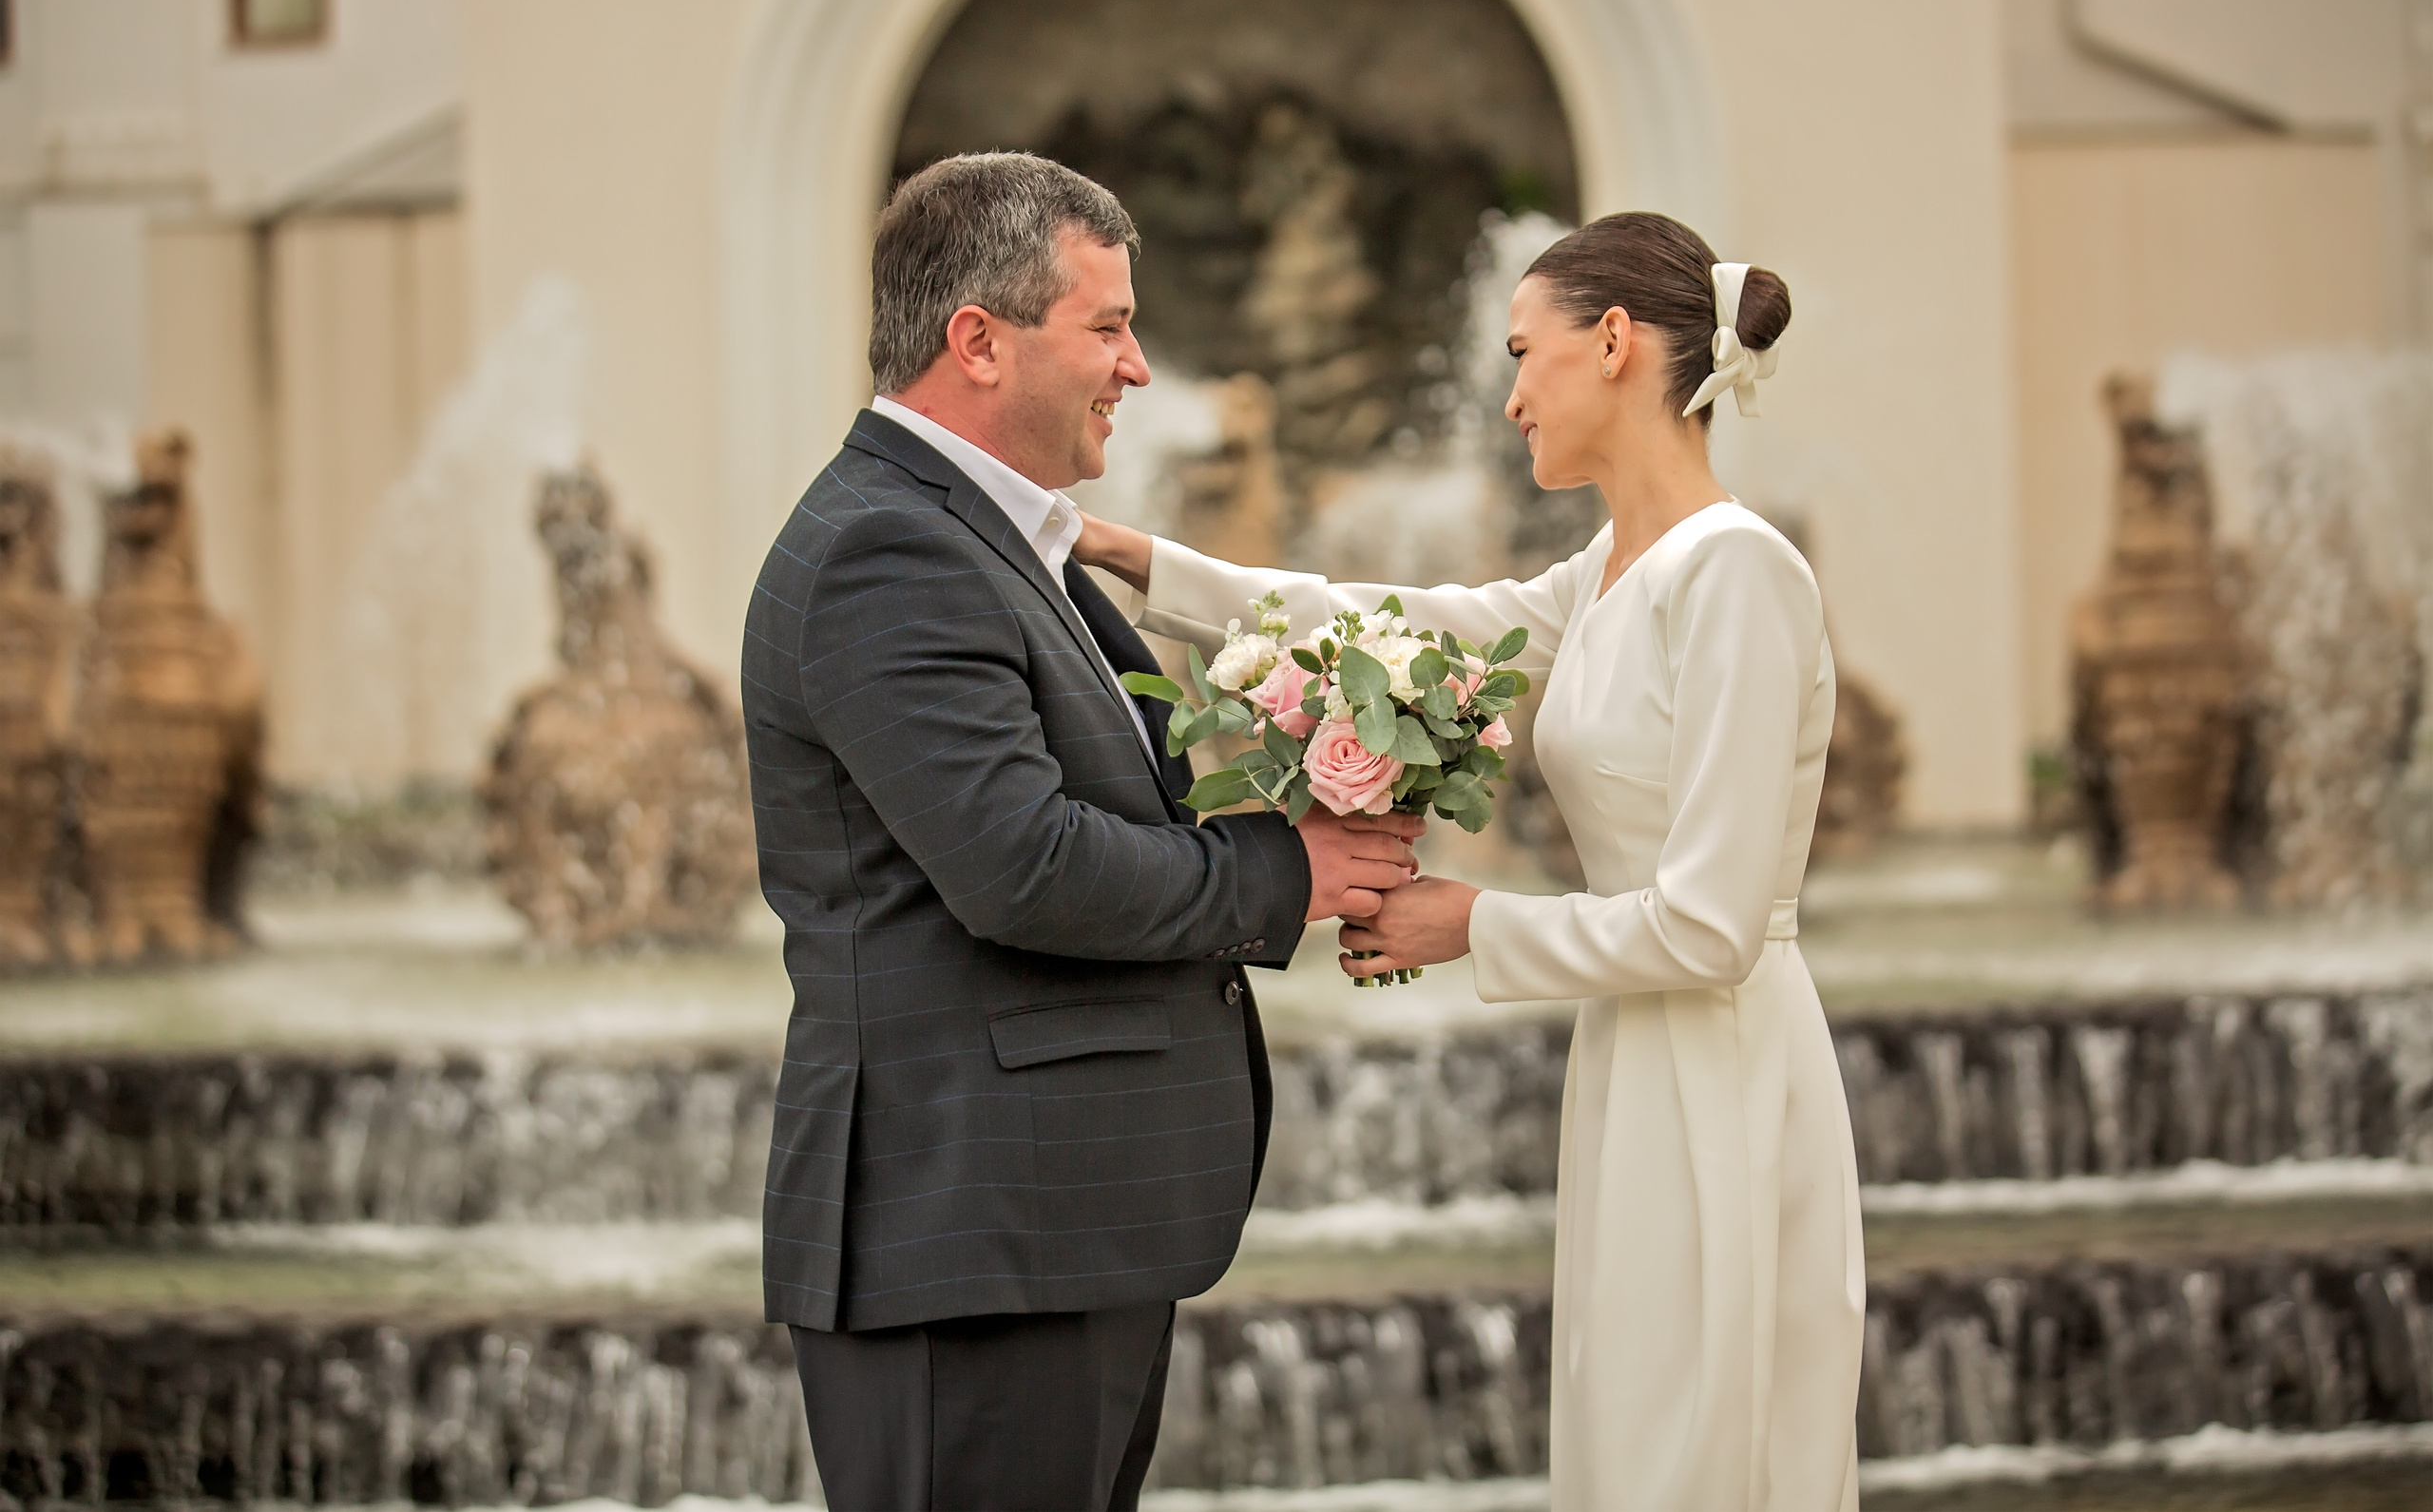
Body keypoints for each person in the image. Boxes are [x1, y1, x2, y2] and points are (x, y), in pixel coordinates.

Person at [1077, 212, 1865, 1510]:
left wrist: (1470, 923)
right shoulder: (1611, 572)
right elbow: (1398, 622)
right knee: (1631, 1434)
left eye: (1523, 354)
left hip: (1725, 1062)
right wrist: (1139, 558)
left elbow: (1716, 928)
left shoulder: (1736, 577)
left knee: (1707, 1448)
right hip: (1635, 1050)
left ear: (1614, 345)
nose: (1504, 399)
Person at [741, 152, 1422, 1511]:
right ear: (978, 343)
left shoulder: (989, 538)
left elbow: (1094, 802)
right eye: (1107, 327)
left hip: (1047, 1227)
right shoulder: (892, 549)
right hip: (976, 1235)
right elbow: (1024, 866)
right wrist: (1288, 874)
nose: (1141, 367)